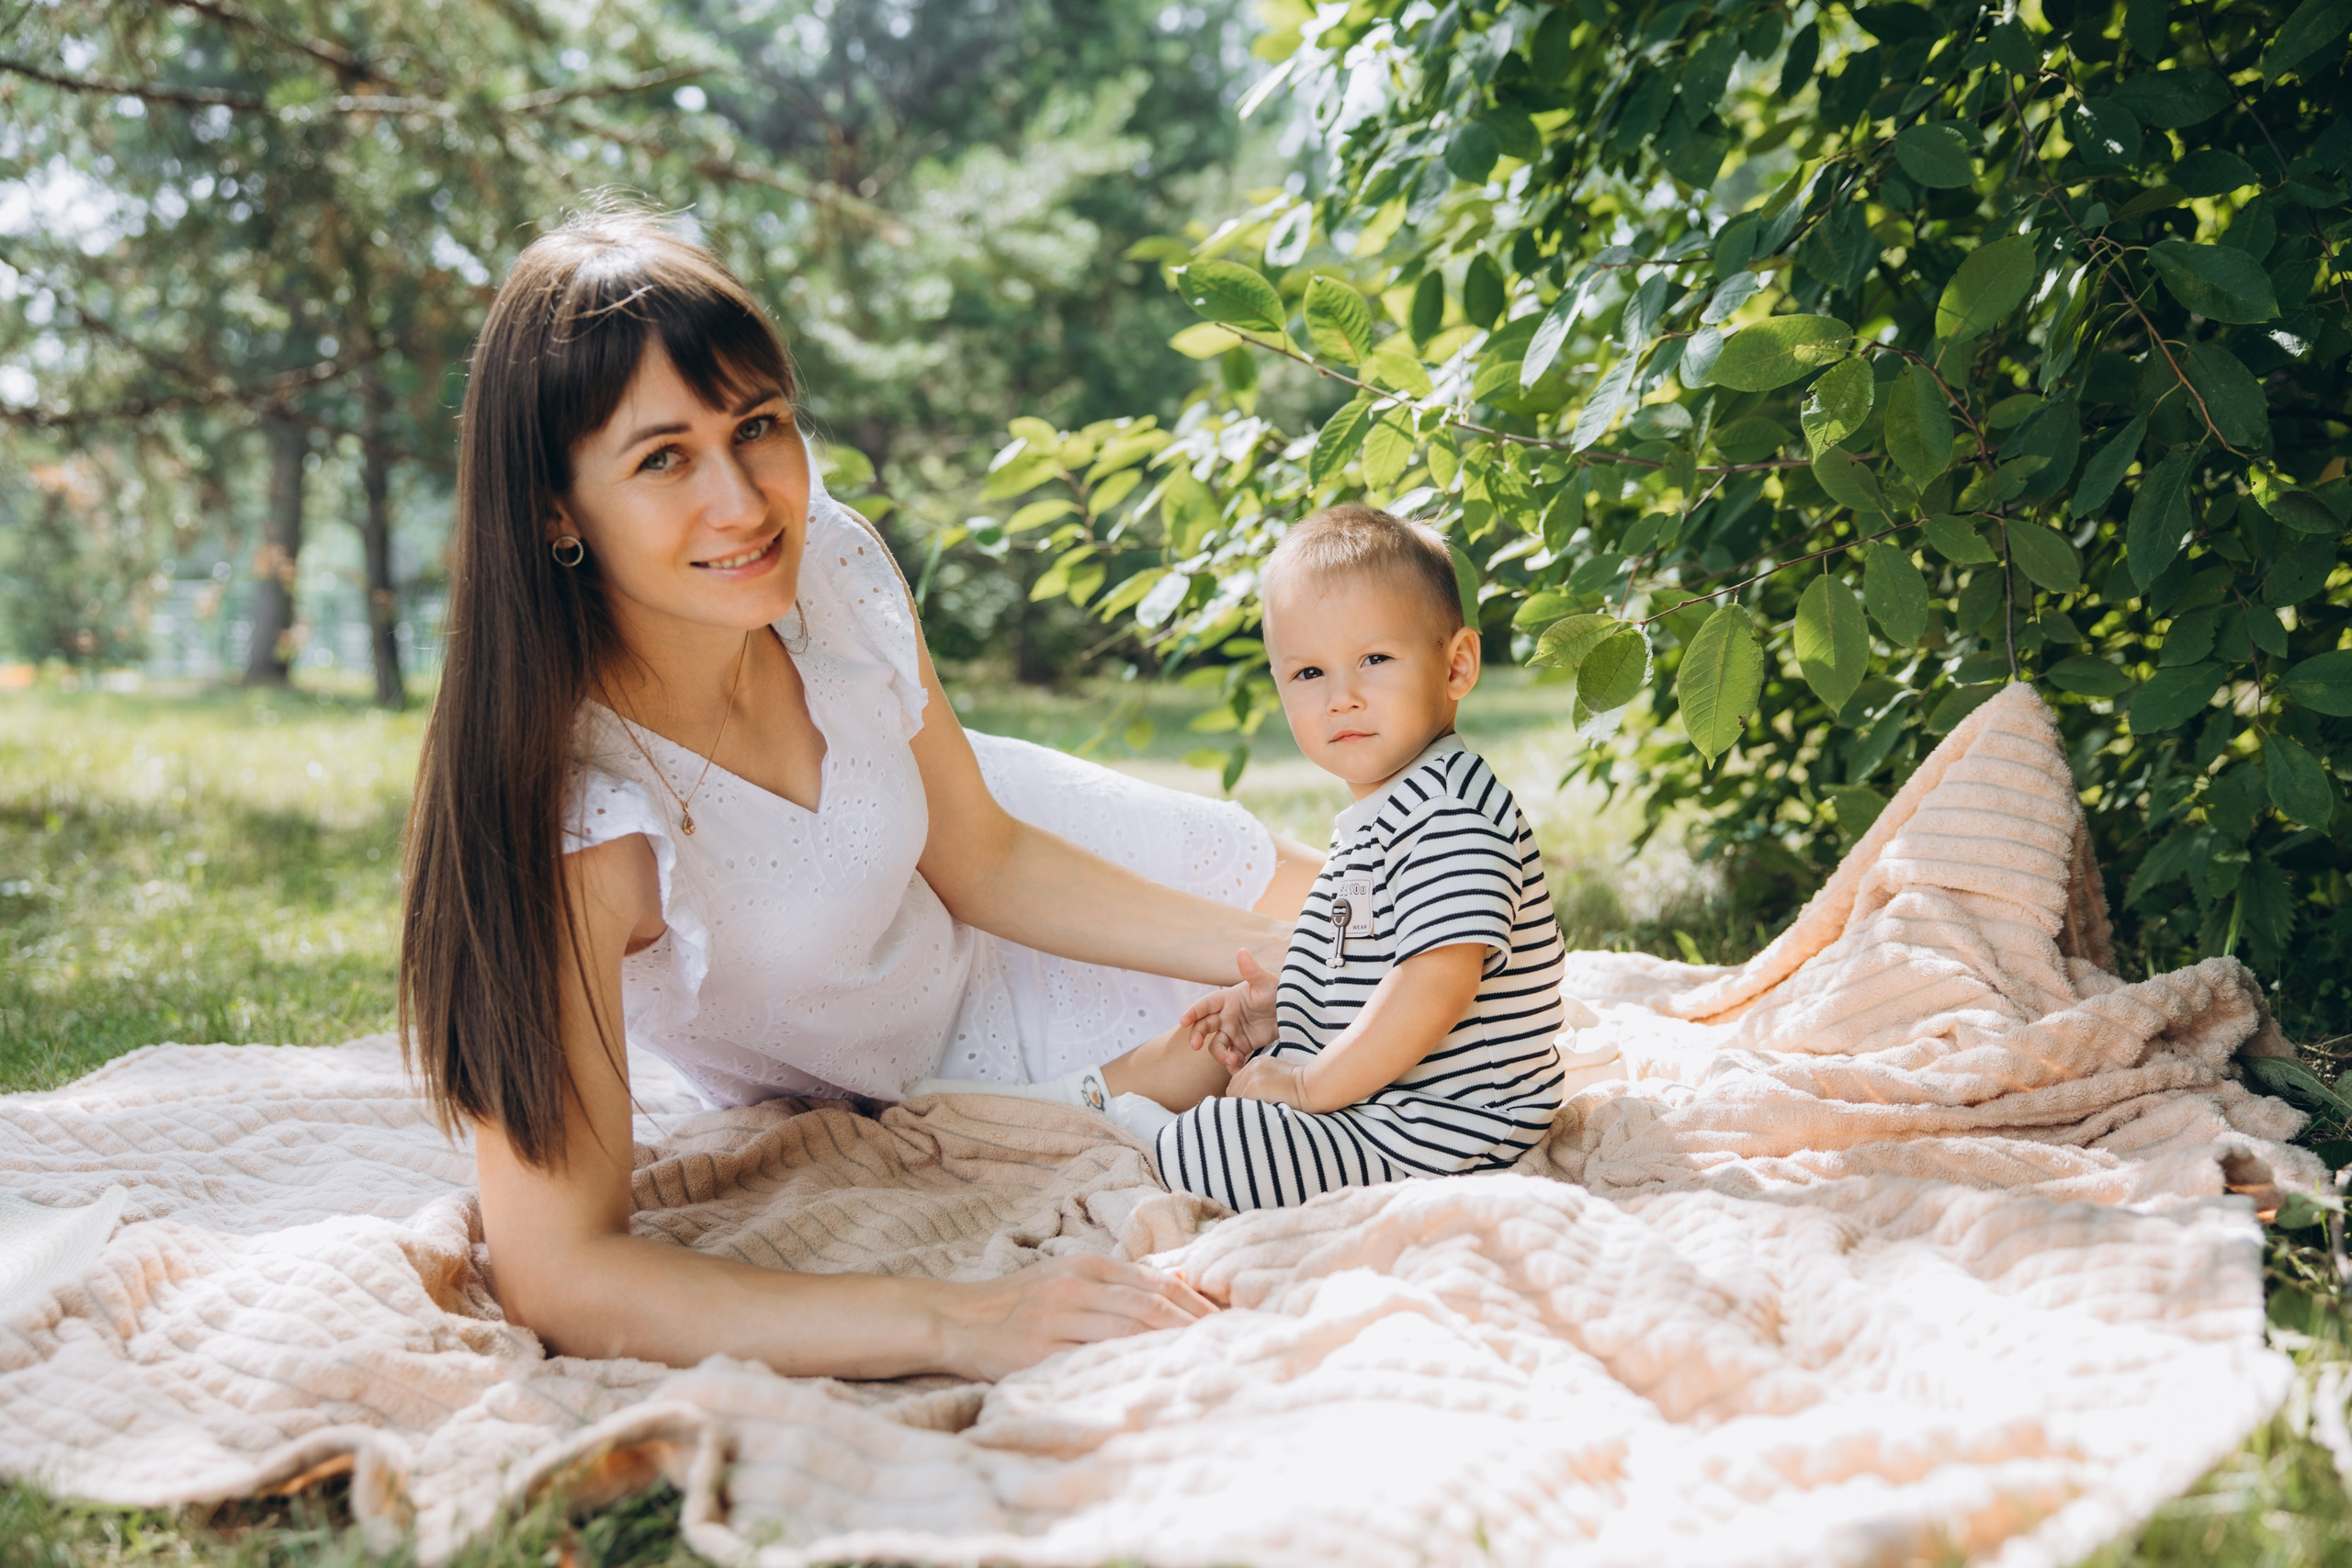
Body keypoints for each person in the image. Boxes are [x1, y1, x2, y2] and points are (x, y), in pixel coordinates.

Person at [399, 206, 1322, 1382]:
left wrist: (1264, 946)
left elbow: (983, 855)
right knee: (1330, 1074)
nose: (745, 503)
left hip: (1031, 856)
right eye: (663, 457)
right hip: (928, 1064)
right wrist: (957, 1324)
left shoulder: (826, 563)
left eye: (759, 427)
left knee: (1410, 947)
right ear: (551, 509)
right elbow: (558, 1270)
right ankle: (1150, 1062)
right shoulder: (581, 823)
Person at [1150, 506, 1598, 1211]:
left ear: (1457, 665)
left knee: (1222, 1140)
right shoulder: (1388, 808)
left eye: (1375, 659)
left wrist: (1306, 1086)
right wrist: (1289, 1009)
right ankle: (1192, 1134)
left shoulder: (1450, 811)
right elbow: (1377, 965)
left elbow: (1435, 985)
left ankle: (1160, 1143)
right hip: (1400, 1105)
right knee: (1246, 1095)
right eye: (1308, 673)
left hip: (1454, 1130)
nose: (1342, 697)